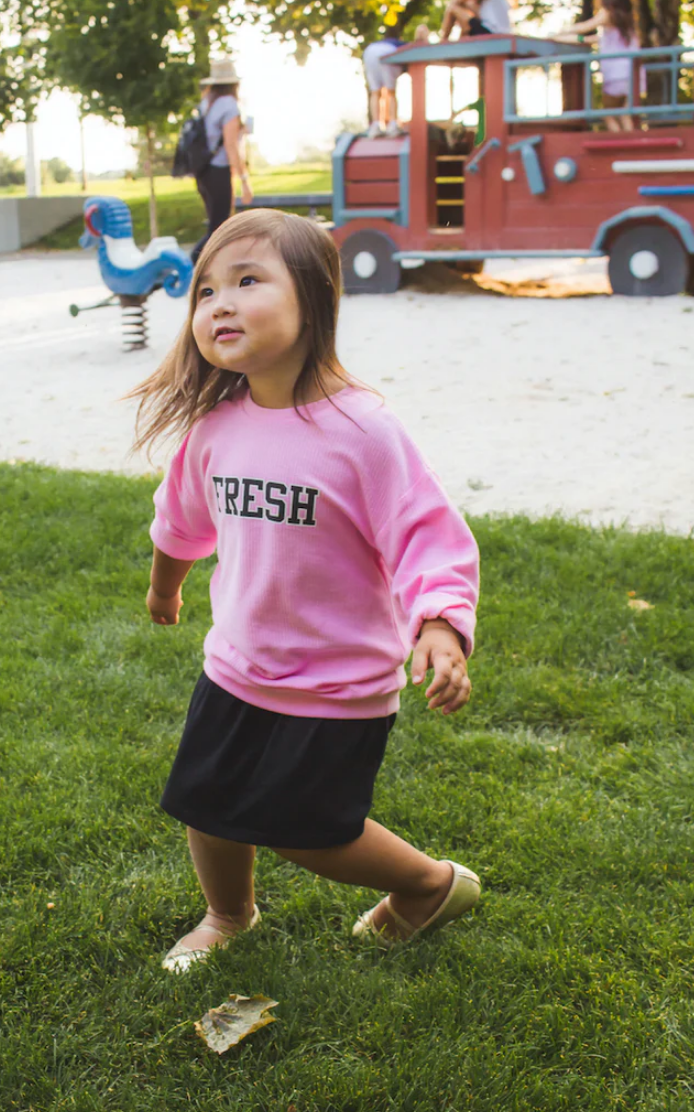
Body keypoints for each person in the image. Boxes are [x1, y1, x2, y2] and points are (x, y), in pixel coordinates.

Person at [126, 209, 482, 974]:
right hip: (239, 664)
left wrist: (441, 626)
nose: (219, 303)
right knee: (206, 800)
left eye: (247, 281)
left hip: (335, 682)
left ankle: (429, 884)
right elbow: (179, 520)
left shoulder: (362, 432)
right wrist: (165, 590)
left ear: (313, 297)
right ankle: (229, 913)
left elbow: (426, 533)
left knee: (307, 830)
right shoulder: (215, 429)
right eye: (206, 290)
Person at [191, 57, 253, 264]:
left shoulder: (206, 103)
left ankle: (205, 270)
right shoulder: (230, 105)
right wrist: (244, 180)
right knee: (220, 229)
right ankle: (190, 265)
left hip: (203, 171)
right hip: (218, 171)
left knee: (217, 226)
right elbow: (231, 145)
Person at [559, 0, 643, 132]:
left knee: (607, 114)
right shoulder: (626, 23)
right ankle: (630, 143)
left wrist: (562, 31)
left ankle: (620, 141)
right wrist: (563, 37)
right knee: (624, 113)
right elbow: (587, 39)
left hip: (617, 74)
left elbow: (583, 28)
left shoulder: (607, 14)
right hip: (635, 74)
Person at [362, 26, 407, 137]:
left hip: (369, 52)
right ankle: (393, 124)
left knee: (375, 92)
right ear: (399, 36)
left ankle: (375, 125)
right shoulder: (398, 44)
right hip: (388, 54)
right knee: (391, 92)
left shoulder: (376, 43)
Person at [440, 0, 513, 40]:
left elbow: (456, 2)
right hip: (502, 33)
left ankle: (442, 42)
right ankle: (462, 39)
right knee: (468, 7)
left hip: (490, 33)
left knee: (452, 8)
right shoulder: (492, 5)